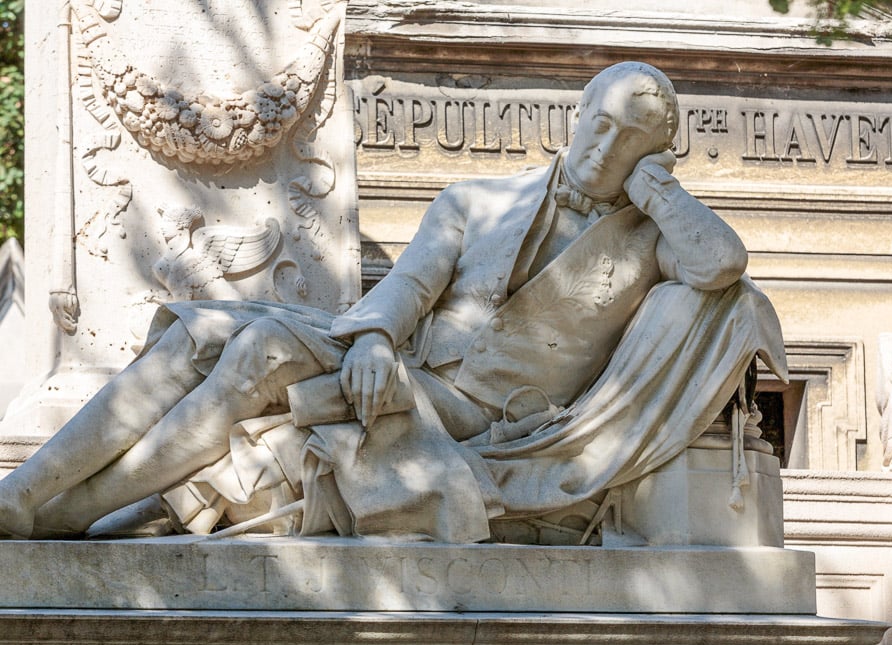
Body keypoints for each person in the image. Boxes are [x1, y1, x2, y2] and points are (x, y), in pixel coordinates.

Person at [0, 62, 786, 541]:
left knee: (258, 351)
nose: (603, 147)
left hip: (480, 412)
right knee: (199, 334)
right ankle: (26, 494)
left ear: (655, 157)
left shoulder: (655, 242)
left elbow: (723, 264)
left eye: (631, 141)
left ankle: (71, 515)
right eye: (600, 123)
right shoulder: (475, 199)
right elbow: (408, 286)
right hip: (398, 358)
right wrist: (374, 339)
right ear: (576, 118)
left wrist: (660, 192)